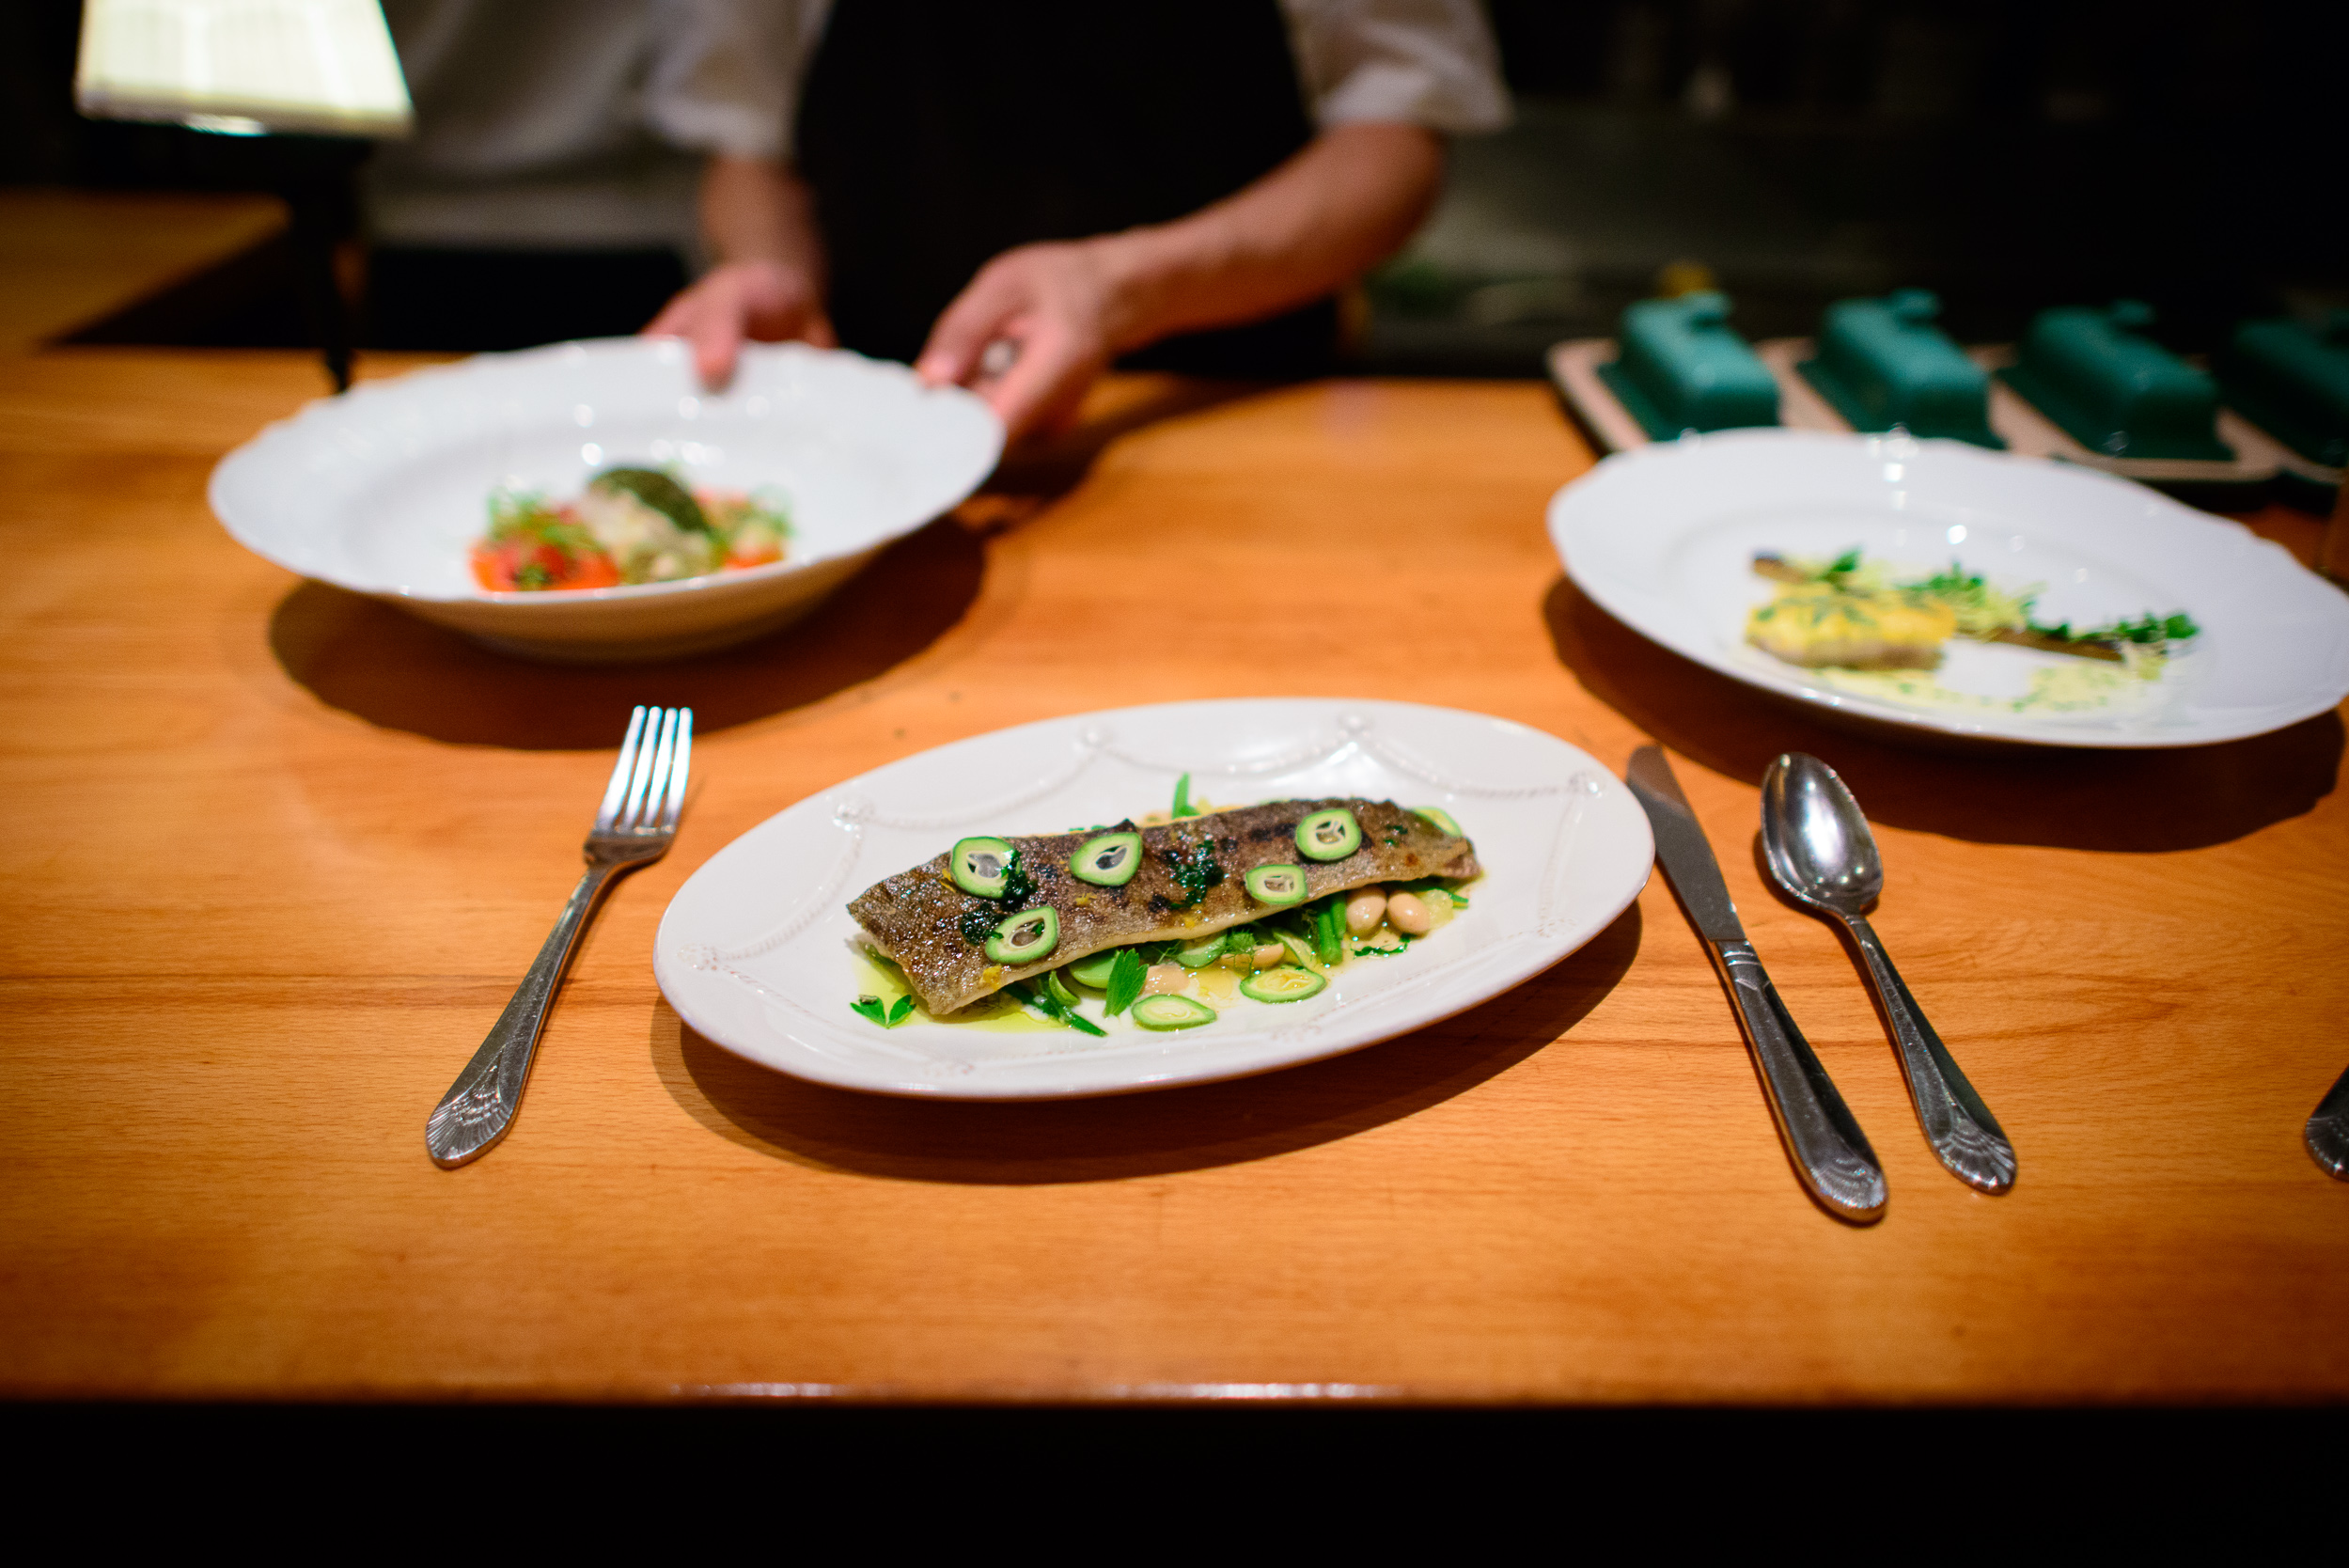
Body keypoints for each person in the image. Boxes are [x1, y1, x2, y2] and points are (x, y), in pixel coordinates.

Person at [647, 1, 1511, 438]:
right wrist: (773, 270)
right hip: (888, 418)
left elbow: (1396, 138)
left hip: (1237, 409)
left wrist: (1119, 286)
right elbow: (746, 140)